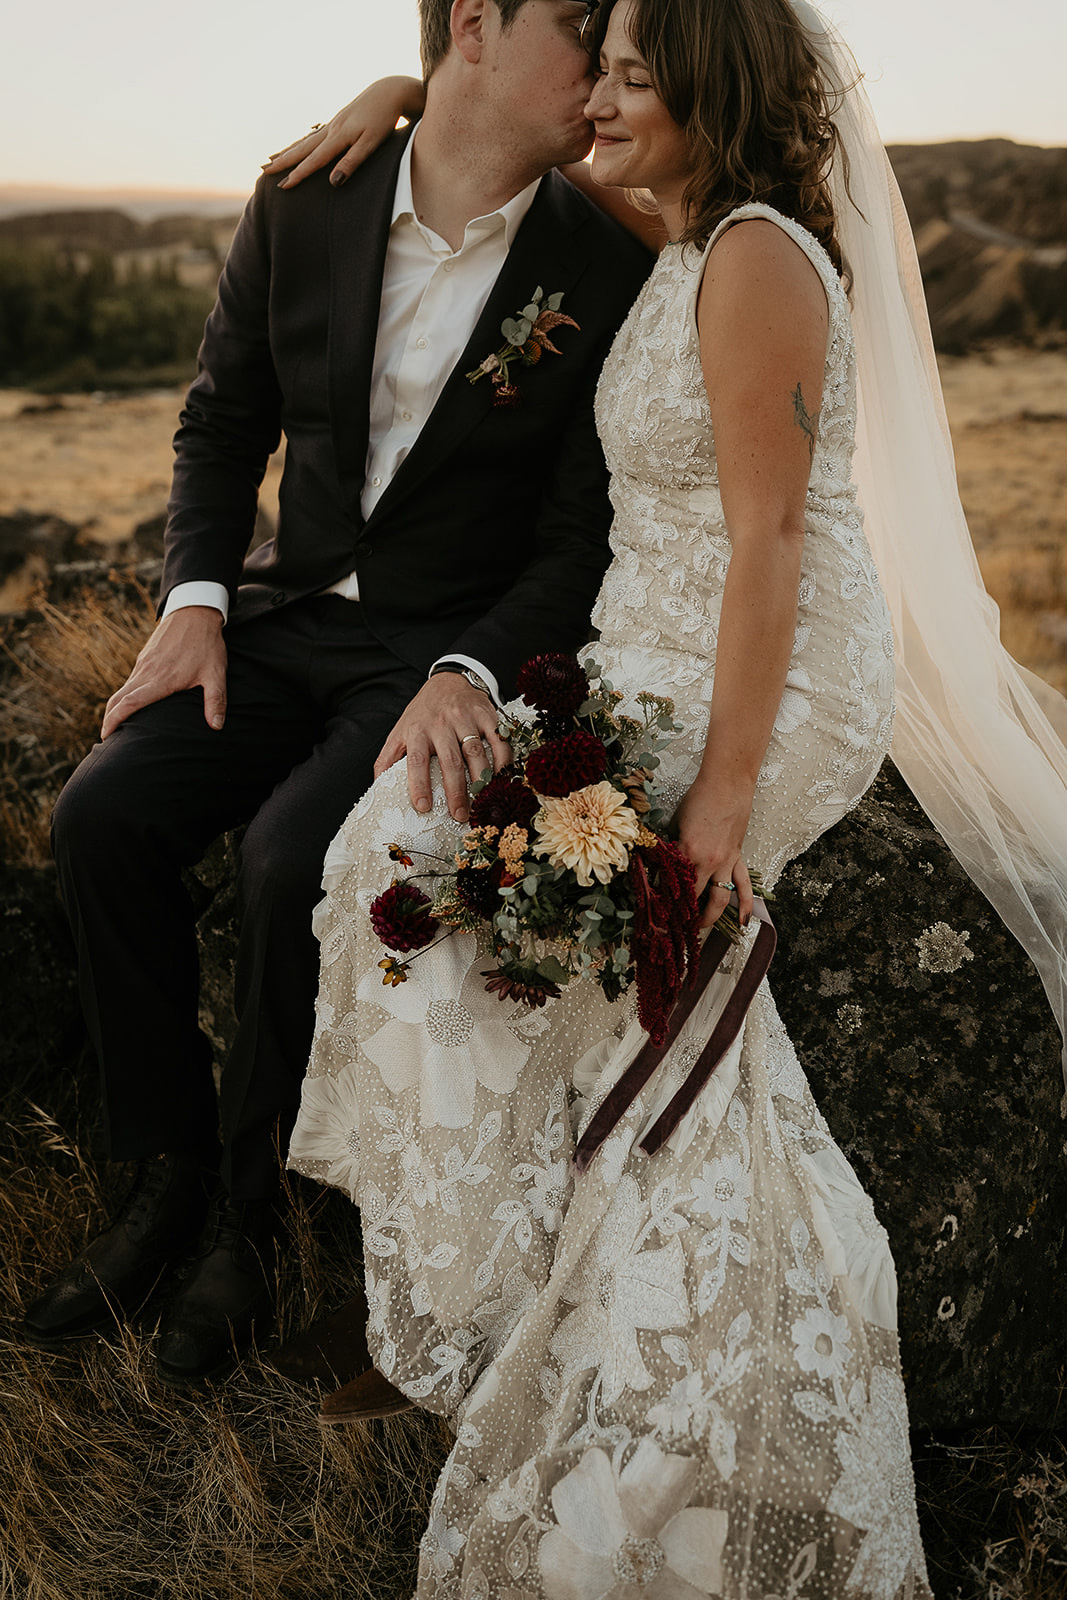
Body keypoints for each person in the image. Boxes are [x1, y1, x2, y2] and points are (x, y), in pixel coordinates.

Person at [274, 0, 1067, 1585]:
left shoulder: (762, 253)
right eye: (604, 66)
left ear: (709, 91)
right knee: (399, 846)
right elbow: (527, 146)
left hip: (761, 671)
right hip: (644, 639)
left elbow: (770, 541)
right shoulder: (689, 222)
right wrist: (407, 89)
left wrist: (720, 801)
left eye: (637, 74)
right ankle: (491, 1293)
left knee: (525, 924)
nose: (604, 97)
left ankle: (594, 1349)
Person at [19, 0, 652, 1386]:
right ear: (473, 24)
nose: (606, 63)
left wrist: (468, 670)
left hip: (431, 659)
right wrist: (193, 603)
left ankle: (255, 1222)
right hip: (277, 613)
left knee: (287, 862)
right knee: (103, 815)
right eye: (582, 24)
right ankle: (159, 1177)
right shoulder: (309, 197)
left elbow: (576, 538)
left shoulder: (607, 259)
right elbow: (222, 417)